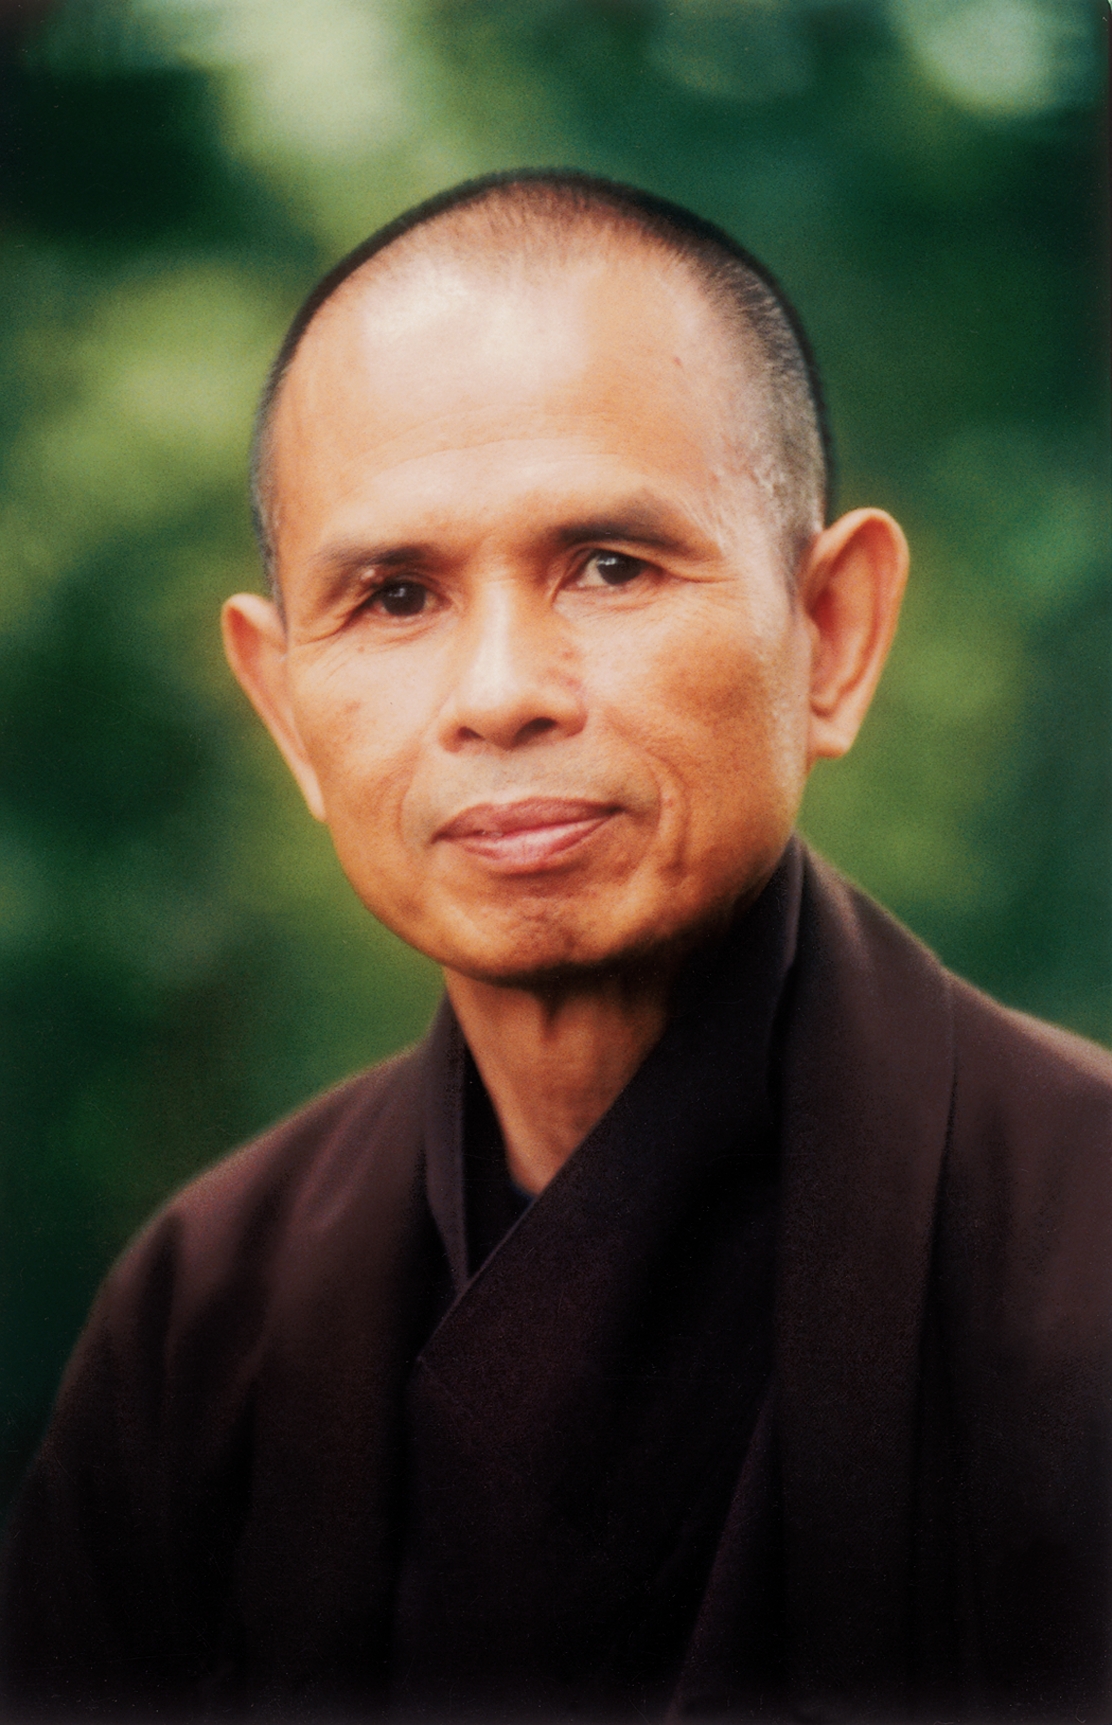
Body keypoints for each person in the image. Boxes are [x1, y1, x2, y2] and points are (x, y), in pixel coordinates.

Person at [2, 171, 1109, 1724]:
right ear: (287, 708)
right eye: (395, 596)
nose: (502, 691)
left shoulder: (1083, 1245)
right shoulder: (204, 1316)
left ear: (833, 632)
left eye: (610, 565)